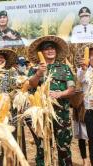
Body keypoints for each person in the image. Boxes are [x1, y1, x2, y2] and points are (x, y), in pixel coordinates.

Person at [27, 35, 75, 165]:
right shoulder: (34, 69)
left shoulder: (65, 68)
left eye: (52, 48)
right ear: (41, 52)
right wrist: (38, 74)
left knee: (64, 147)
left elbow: (72, 89)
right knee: (42, 147)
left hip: (61, 113)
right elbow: (30, 85)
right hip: (41, 114)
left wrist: (60, 94)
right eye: (46, 49)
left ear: (56, 51)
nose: (50, 51)